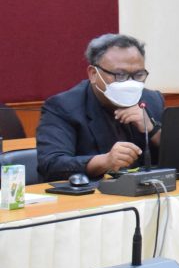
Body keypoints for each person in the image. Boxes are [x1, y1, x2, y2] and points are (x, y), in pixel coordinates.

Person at [36, 34, 164, 182]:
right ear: (93, 74)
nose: (130, 83)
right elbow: (51, 165)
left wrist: (153, 130)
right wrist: (105, 161)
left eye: (138, 75)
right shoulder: (63, 107)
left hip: (152, 189)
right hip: (92, 192)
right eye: (120, 75)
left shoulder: (152, 100)